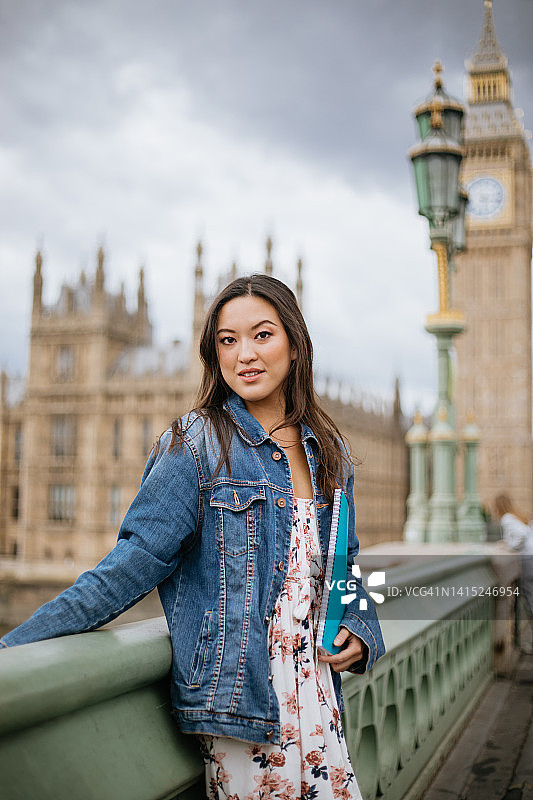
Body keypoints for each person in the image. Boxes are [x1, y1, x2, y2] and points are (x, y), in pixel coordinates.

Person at [1, 274, 385, 799]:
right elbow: (130, 565)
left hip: (319, 697)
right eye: (228, 340)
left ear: (295, 345)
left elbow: (348, 565)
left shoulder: (329, 451)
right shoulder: (196, 443)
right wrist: (11, 651)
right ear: (213, 353)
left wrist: (362, 627)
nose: (245, 354)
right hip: (241, 704)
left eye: (262, 335)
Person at [493, 493, 533, 653]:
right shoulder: (517, 515)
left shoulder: (507, 518)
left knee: (529, 599)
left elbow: (521, 535)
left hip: (527, 560)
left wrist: (510, 547)